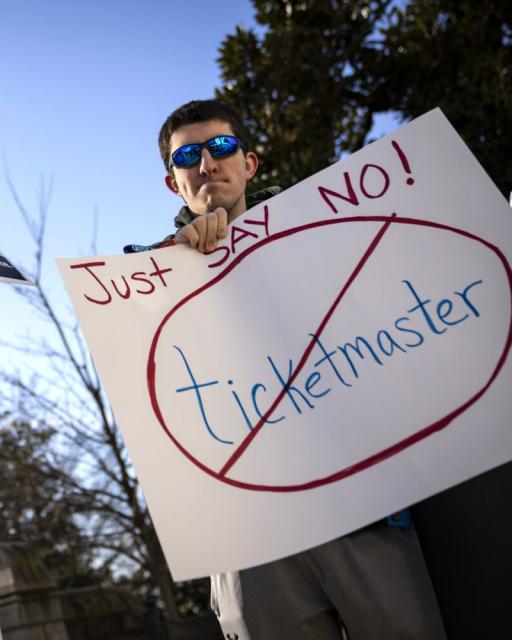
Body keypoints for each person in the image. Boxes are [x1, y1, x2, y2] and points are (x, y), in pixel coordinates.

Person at [137, 99, 446, 639]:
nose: (207, 163)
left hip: (361, 512)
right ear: (174, 183)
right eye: (188, 155)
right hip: (248, 543)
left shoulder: (334, 234)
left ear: (249, 163)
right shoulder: (141, 283)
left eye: (222, 146)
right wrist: (179, 266)